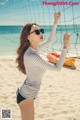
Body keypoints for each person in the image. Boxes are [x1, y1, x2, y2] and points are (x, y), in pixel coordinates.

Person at [16, 12, 70, 120]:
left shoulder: (35, 48)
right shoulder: (32, 56)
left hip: (27, 91)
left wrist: (55, 22)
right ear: (29, 37)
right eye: (36, 31)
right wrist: (65, 47)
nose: (40, 33)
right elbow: (57, 68)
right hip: (26, 97)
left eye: (41, 30)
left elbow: (50, 40)